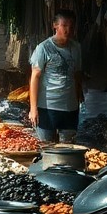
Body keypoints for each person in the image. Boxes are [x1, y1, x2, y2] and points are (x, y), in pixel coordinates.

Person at [29, 9, 84, 144]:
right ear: (55, 25)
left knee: (68, 149)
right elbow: (35, 77)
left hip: (70, 108)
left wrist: (79, 97)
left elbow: (77, 74)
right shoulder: (44, 48)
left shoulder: (76, 48)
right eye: (64, 26)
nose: (68, 30)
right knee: (47, 149)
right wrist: (33, 108)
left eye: (71, 26)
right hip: (48, 107)